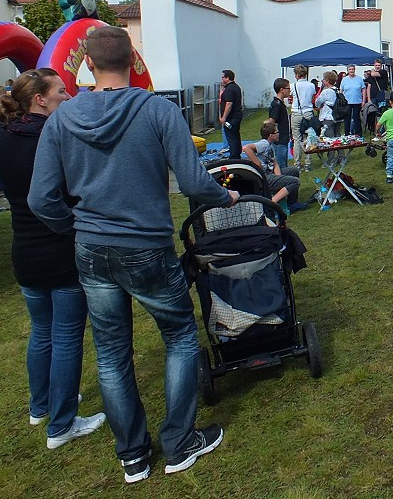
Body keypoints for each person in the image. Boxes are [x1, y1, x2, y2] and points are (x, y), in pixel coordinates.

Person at [28, 26, 238, 483]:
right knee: (179, 337)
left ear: (86, 61)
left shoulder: (61, 120)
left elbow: (41, 199)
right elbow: (194, 181)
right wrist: (228, 199)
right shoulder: (159, 111)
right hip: (145, 247)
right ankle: (178, 443)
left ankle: (134, 455)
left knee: (110, 353)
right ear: (134, 59)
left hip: (92, 251)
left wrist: (77, 229)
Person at [0, 68, 107, 449]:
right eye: (60, 91)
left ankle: (41, 406)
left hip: (24, 250)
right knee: (67, 336)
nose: (68, 96)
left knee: (42, 333)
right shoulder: (53, 137)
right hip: (58, 247)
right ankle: (62, 424)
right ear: (40, 98)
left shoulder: (1, 138)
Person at [242, 120, 301, 214]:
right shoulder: (264, 144)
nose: (279, 134)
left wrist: (279, 178)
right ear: (271, 136)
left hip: (271, 173)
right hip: (265, 176)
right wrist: (257, 164)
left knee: (294, 171)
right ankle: (271, 203)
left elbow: (275, 164)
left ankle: (292, 203)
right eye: (277, 132)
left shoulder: (271, 146)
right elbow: (246, 148)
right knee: (295, 182)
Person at [291, 65, 317, 173]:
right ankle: (308, 163)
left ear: (297, 75)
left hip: (296, 112)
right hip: (308, 112)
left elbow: (291, 98)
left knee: (297, 139)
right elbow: (312, 98)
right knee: (308, 138)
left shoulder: (293, 85)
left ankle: (297, 164)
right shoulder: (311, 85)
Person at [268, 78, 293, 169]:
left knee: (283, 162)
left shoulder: (281, 104)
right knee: (281, 164)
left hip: (284, 137)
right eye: (288, 89)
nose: (289, 91)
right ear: (282, 90)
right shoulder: (276, 104)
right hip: (280, 139)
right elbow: (272, 121)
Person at [219, 69, 243, 159]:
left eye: (223, 77)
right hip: (237, 116)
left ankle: (234, 156)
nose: (221, 79)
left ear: (227, 78)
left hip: (231, 118)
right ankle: (237, 153)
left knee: (231, 137)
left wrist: (224, 117)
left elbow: (229, 104)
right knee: (236, 135)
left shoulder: (229, 89)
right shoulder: (236, 87)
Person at [339, 65, 366, 136]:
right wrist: (341, 100)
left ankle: (358, 133)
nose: (351, 71)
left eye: (353, 69)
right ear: (348, 70)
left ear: (355, 70)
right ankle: (347, 133)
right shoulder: (344, 79)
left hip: (357, 101)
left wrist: (363, 100)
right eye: (350, 69)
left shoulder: (359, 79)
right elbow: (341, 90)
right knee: (347, 119)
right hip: (347, 102)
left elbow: (363, 89)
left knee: (356, 118)